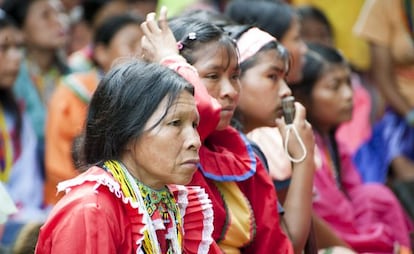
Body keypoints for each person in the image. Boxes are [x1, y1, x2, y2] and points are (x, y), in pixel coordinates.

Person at [140, 7, 314, 253]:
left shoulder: (243, 156)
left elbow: (279, 247)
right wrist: (169, 60)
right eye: (212, 76)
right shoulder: (163, 150)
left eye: (235, 76)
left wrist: (304, 158)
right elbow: (202, 110)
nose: (230, 91)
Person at [36, 60, 214, 253]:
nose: (194, 141)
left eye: (194, 125)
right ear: (127, 133)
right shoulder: (91, 211)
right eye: (175, 123)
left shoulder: (172, 205)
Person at [291, 42, 413, 253]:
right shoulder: (302, 147)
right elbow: (333, 219)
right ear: (303, 97)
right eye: (334, 86)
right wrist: (380, 239)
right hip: (335, 243)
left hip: (352, 234)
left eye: (349, 83)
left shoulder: (332, 142)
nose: (349, 95)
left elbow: (355, 197)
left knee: (374, 196)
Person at [44, 13, 144, 206]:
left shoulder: (146, 95)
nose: (141, 53)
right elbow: (59, 167)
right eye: (132, 44)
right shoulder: (71, 93)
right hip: (75, 199)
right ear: (101, 52)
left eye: (144, 45)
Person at [2, 0, 71, 172]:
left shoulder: (75, 75)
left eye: (60, 13)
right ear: (21, 30)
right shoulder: (9, 75)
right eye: (45, 15)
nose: (58, 21)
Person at [0, 10, 47, 251]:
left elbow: (29, 184)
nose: (16, 57)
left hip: (25, 215)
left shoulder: (14, 112)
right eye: (4, 48)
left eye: (18, 47)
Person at [353, 0, 414, 184]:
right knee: (401, 165)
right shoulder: (382, 5)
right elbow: (383, 78)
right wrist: (411, 116)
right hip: (401, 111)